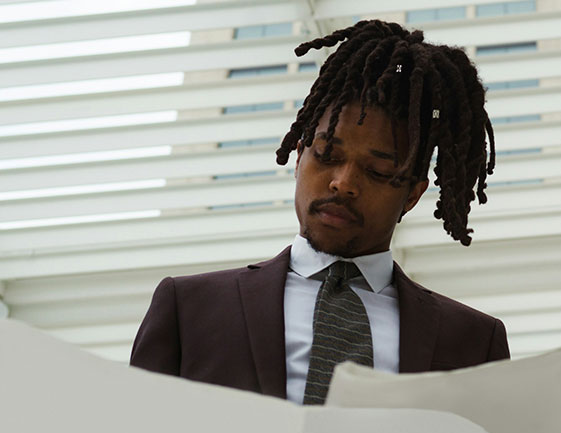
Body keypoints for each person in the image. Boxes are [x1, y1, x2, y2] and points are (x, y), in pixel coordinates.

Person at [130, 19, 510, 405]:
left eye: (377, 171)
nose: (343, 183)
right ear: (299, 159)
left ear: (412, 195)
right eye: (328, 155)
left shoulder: (475, 344)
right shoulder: (188, 308)